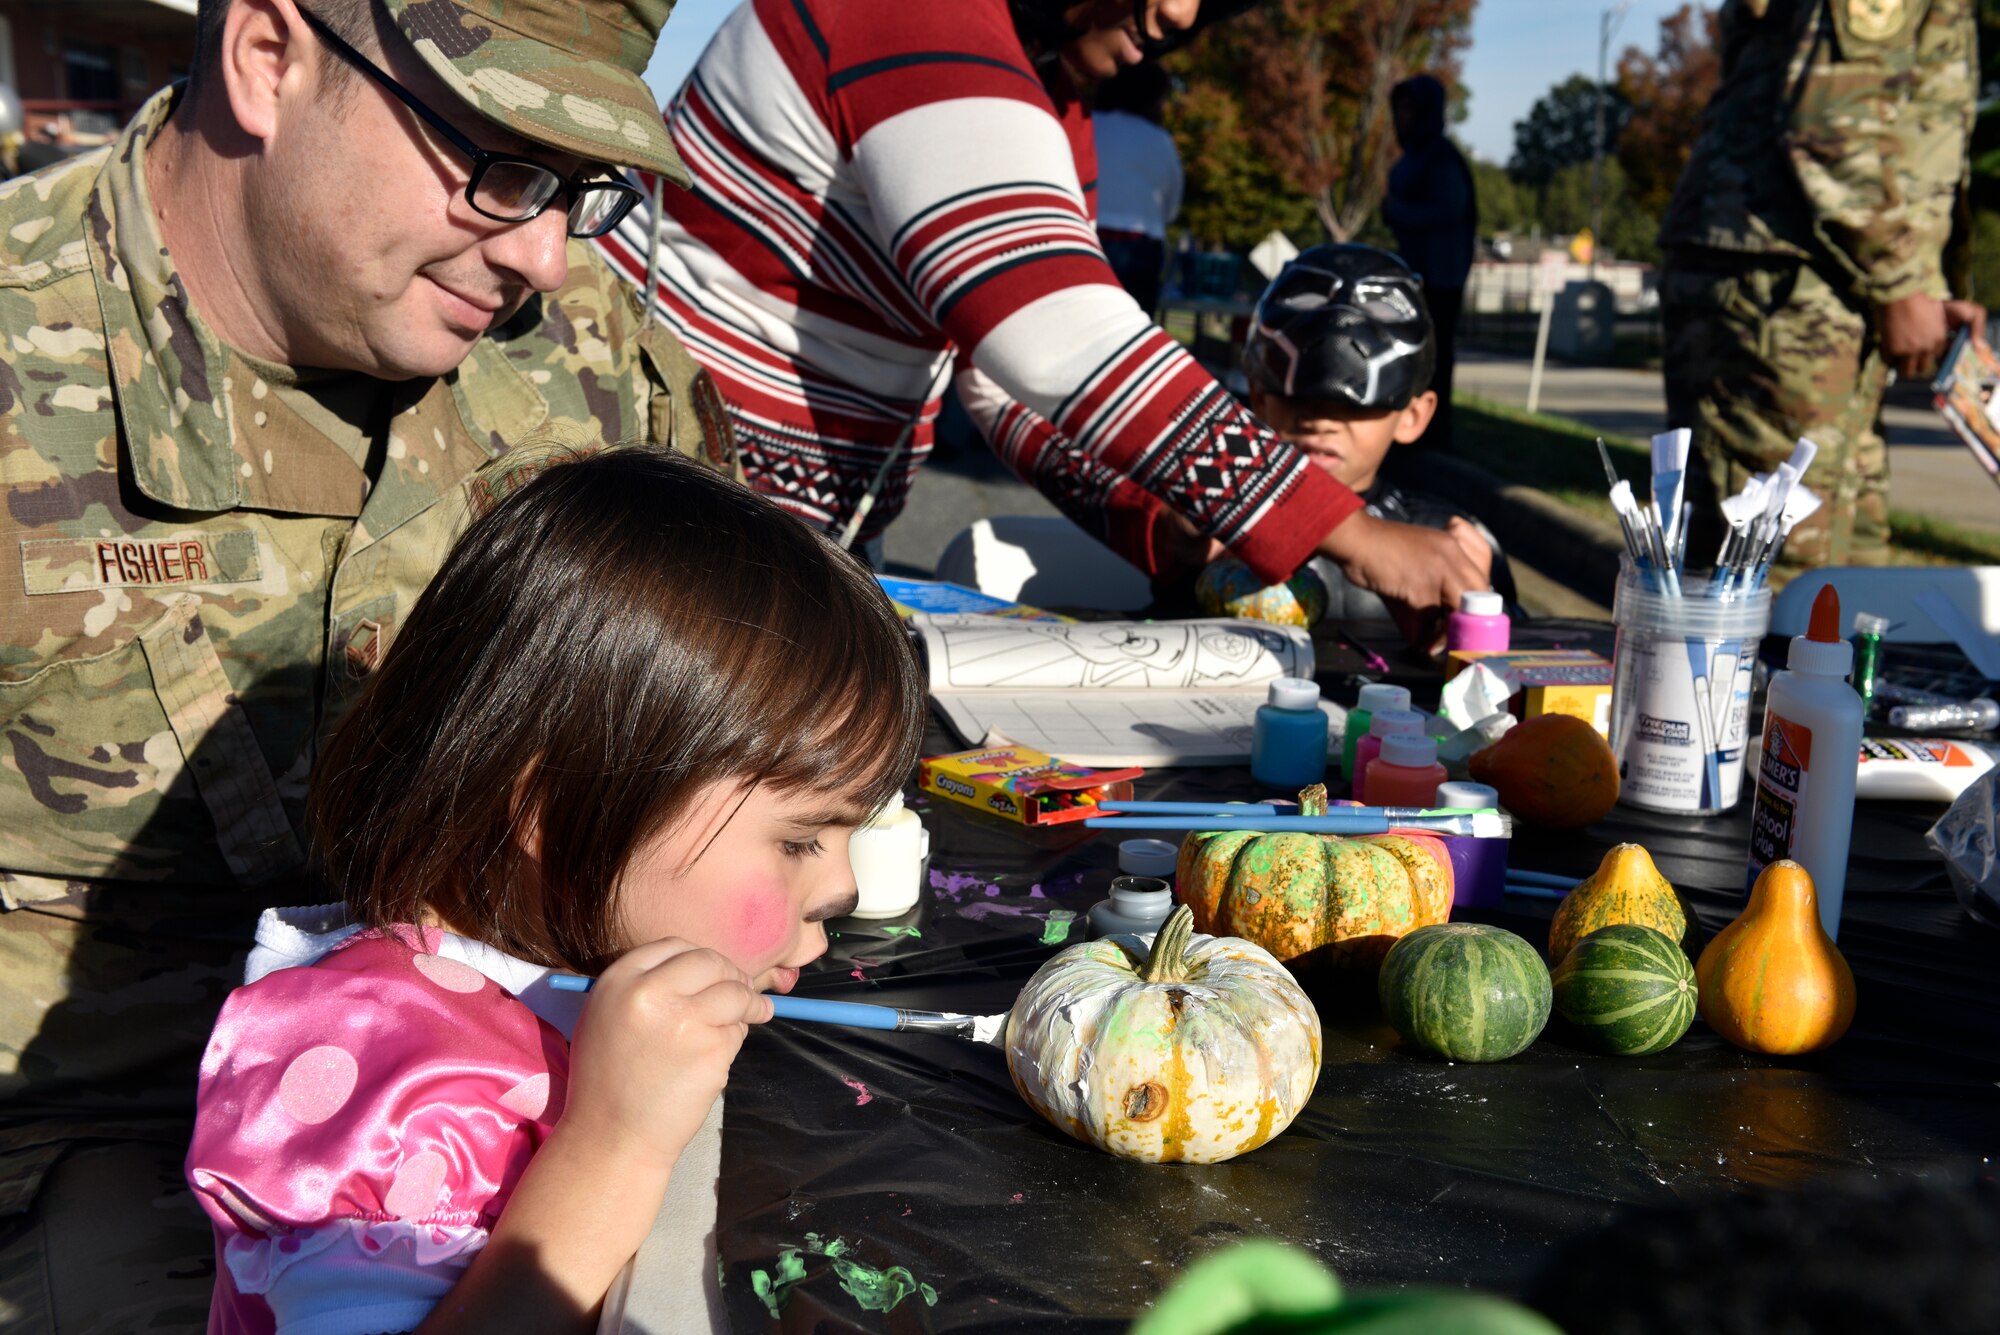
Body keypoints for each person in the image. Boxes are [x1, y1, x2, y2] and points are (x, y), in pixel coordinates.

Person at [0, 0, 732, 1327]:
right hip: (102, 1148)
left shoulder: (592, 367)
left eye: (580, 190)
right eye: (501, 162)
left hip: (540, 1087)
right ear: (270, 58)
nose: (547, 258)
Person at [183, 445, 925, 1334]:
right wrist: (617, 1144)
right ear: (555, 812)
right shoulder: (375, 1072)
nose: (841, 889)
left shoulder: (571, 959)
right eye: (802, 837)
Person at [596, 0, 1487, 616]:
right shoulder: (920, 16)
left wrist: (1157, 514)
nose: (1176, 22)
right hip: (660, 507)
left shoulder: (1050, 108)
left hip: (765, 534)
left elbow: (998, 387)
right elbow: (1053, 331)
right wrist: (1350, 531)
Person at [1659, 0, 1983, 577]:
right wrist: (1901, 282)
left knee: (1846, 578)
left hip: (1825, 276)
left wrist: (1924, 287)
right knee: (1776, 577)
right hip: (1786, 285)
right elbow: (1832, 120)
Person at [1382, 73, 1476, 453]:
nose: (1403, 116)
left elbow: (1448, 209)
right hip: (1416, 275)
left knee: (1433, 361)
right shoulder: (1416, 156)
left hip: (1438, 278)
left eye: (1410, 108)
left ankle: (1432, 439)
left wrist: (1397, 211)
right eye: (1399, 108)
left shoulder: (1440, 158)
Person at [1092, 60, 1183, 314]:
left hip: (1086, 235)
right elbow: (1171, 208)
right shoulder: (1160, 141)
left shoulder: (1088, 123)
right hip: (1141, 248)